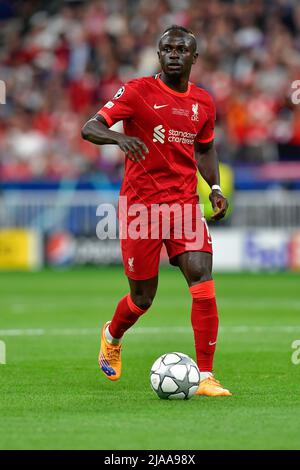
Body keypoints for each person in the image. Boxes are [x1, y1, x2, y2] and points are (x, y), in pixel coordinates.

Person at [82, 25, 232, 396]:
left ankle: (206, 376)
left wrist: (214, 188)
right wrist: (119, 138)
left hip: (183, 205)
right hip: (140, 208)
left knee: (203, 281)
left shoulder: (204, 103)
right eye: (168, 48)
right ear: (159, 54)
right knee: (142, 299)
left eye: (182, 49)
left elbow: (205, 148)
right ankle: (112, 335)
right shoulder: (137, 92)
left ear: (194, 58)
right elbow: (91, 127)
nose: (174, 54)